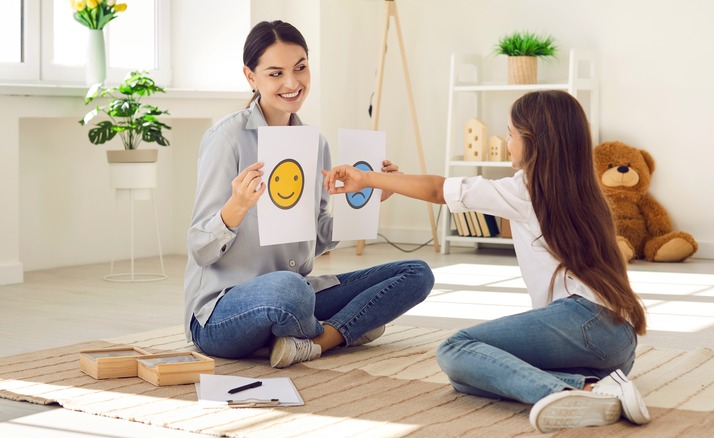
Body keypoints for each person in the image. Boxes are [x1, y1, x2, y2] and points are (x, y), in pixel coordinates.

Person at [323, 90, 651, 432]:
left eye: (510, 133)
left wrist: (367, 178)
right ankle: (602, 387)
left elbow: (441, 191)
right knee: (471, 376)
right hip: (618, 347)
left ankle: (576, 391)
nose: (507, 141)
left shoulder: (527, 190)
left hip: (583, 323)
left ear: (534, 141)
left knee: (456, 349)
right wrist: (393, 179)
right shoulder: (587, 191)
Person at [184, 20, 434, 369]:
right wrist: (236, 208)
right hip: (222, 314)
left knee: (416, 273)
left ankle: (318, 339)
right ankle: (348, 328)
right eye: (276, 73)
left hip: (297, 296)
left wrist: (367, 199)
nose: (292, 83)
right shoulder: (226, 139)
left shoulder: (314, 144)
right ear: (251, 77)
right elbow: (199, 247)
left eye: (301, 68)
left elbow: (315, 237)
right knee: (290, 289)